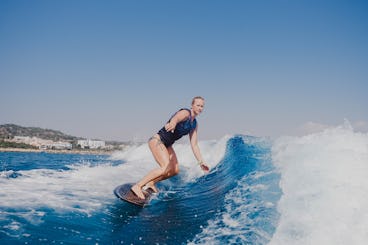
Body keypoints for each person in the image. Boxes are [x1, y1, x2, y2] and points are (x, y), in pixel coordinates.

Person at [131, 96, 210, 199]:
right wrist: (173, 123)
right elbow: (176, 117)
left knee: (175, 170)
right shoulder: (186, 113)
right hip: (157, 141)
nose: (200, 108)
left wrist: (201, 162)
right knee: (165, 166)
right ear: (192, 105)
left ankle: (151, 182)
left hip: (167, 145)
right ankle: (137, 186)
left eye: (202, 106)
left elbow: (194, 144)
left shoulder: (194, 124)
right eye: (198, 105)